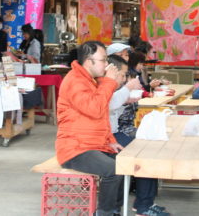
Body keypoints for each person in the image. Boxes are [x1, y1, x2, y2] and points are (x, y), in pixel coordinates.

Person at [56, 41, 123, 216]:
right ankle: (104, 212)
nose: (107, 64)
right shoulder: (75, 81)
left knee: (126, 163)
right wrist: (109, 82)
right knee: (113, 170)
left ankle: (114, 209)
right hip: (75, 149)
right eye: (103, 60)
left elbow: (101, 117)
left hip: (92, 144)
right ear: (88, 61)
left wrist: (110, 140)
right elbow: (95, 109)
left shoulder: (90, 79)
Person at [106, 55, 167, 216]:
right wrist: (127, 91)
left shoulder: (112, 87)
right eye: (123, 75)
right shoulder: (104, 86)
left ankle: (145, 203)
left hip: (114, 133)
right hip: (107, 136)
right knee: (145, 153)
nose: (124, 79)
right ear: (111, 72)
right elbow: (108, 106)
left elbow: (113, 109)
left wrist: (126, 101)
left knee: (150, 148)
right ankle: (142, 205)